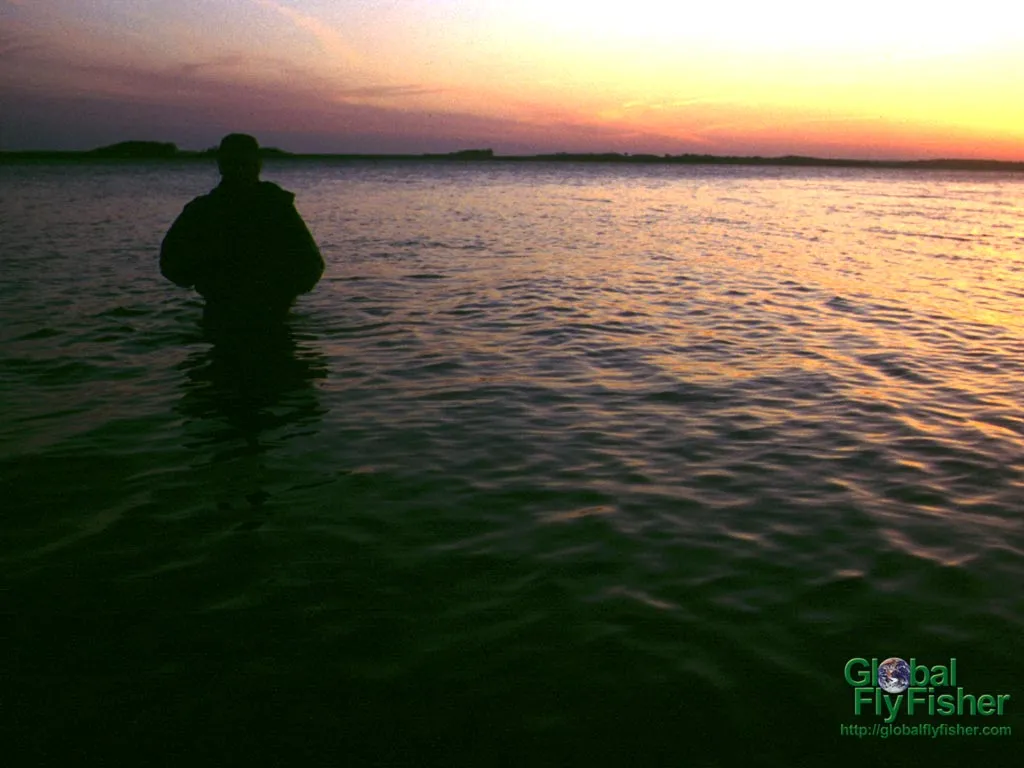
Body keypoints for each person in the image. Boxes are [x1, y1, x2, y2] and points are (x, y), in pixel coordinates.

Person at [160, 133, 324, 331]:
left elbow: (311, 264)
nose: (239, 170)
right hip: (230, 310)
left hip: (265, 311)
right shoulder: (203, 210)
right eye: (233, 163)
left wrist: (281, 291)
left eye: (244, 163)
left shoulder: (276, 207)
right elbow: (171, 262)